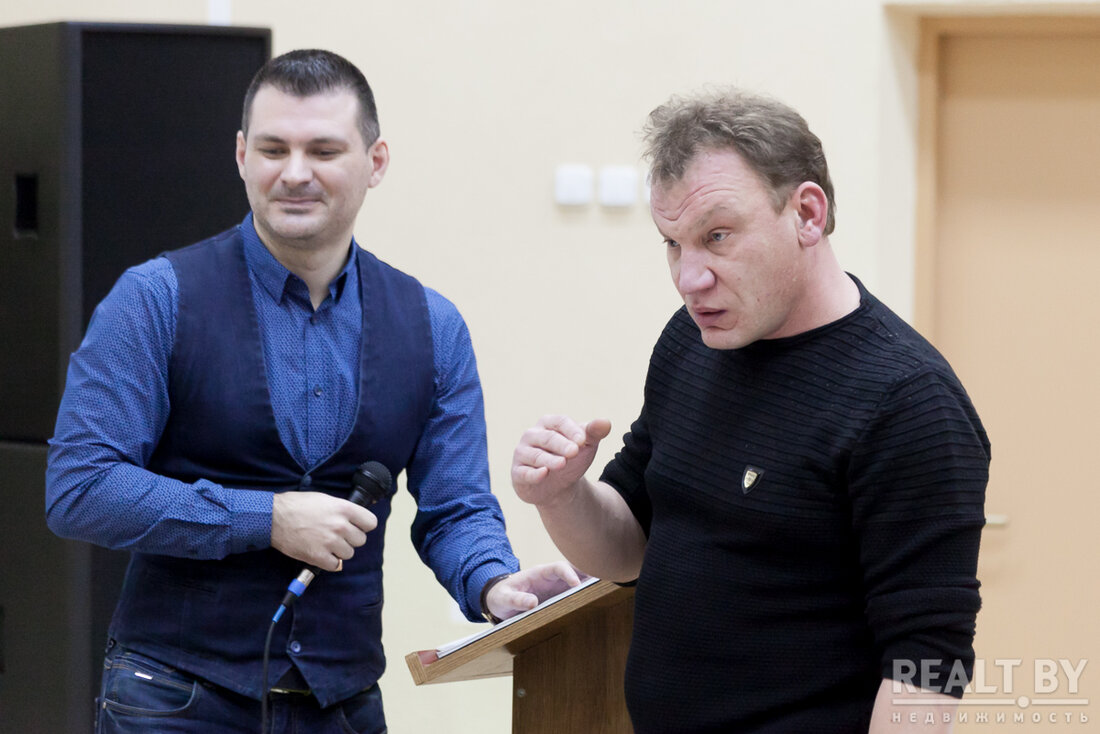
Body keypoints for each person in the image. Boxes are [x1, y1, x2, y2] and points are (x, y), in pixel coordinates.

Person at [46, 49, 578, 734]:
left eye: (323, 151)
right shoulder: (155, 299)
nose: (294, 173)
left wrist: (495, 583)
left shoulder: (433, 326)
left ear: (375, 162)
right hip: (173, 700)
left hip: (342, 703)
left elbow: (456, 508)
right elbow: (81, 486)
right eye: (274, 149)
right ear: (242, 156)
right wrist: (264, 518)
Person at [511, 89, 989, 733]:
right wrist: (562, 496)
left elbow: (929, 667)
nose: (690, 278)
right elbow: (629, 548)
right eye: (673, 243)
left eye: (717, 237)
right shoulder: (690, 342)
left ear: (807, 214)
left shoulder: (909, 402)